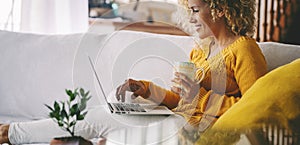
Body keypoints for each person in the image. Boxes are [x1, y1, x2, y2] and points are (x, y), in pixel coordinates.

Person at [0, 0, 267, 144]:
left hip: (204, 132)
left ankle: (11, 133)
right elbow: (180, 101)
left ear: (220, 8)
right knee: (101, 114)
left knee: (101, 120)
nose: (192, 18)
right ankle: (11, 132)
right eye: (189, 11)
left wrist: (197, 97)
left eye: (196, 10)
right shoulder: (200, 51)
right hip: (180, 119)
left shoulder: (244, 49)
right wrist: (146, 89)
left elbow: (257, 111)